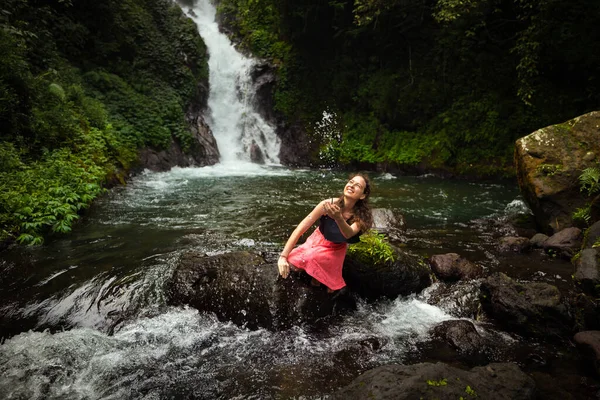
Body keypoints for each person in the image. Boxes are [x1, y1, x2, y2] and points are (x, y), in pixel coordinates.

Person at [277, 173, 373, 292]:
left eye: (357, 185)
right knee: (293, 263)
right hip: (316, 240)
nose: (351, 185)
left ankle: (318, 281)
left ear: (363, 195)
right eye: (351, 182)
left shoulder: (361, 216)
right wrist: (283, 256)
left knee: (312, 258)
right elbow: (301, 227)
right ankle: (315, 278)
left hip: (335, 248)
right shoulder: (327, 204)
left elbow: (349, 233)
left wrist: (339, 218)